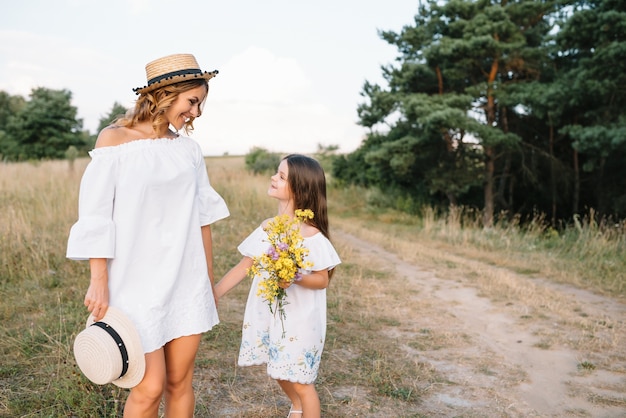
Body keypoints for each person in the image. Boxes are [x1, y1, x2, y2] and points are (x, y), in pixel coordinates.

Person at [66, 53, 229, 417]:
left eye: (201, 104)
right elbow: (96, 217)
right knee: (149, 386)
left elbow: (202, 219)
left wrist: (207, 280)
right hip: (134, 283)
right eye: (193, 101)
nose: (197, 112)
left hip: (186, 280)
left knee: (178, 382)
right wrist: (99, 280)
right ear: (166, 95)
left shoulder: (189, 151)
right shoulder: (114, 140)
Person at [215, 154, 341, 418]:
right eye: (276, 172)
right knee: (278, 368)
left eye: (281, 176)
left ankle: (303, 406)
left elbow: (322, 279)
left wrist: (295, 277)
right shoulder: (268, 228)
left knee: (302, 383)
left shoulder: (312, 235)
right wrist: (213, 294)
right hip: (270, 316)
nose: (273, 177)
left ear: (300, 188)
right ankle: (296, 408)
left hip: (301, 320)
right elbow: (243, 267)